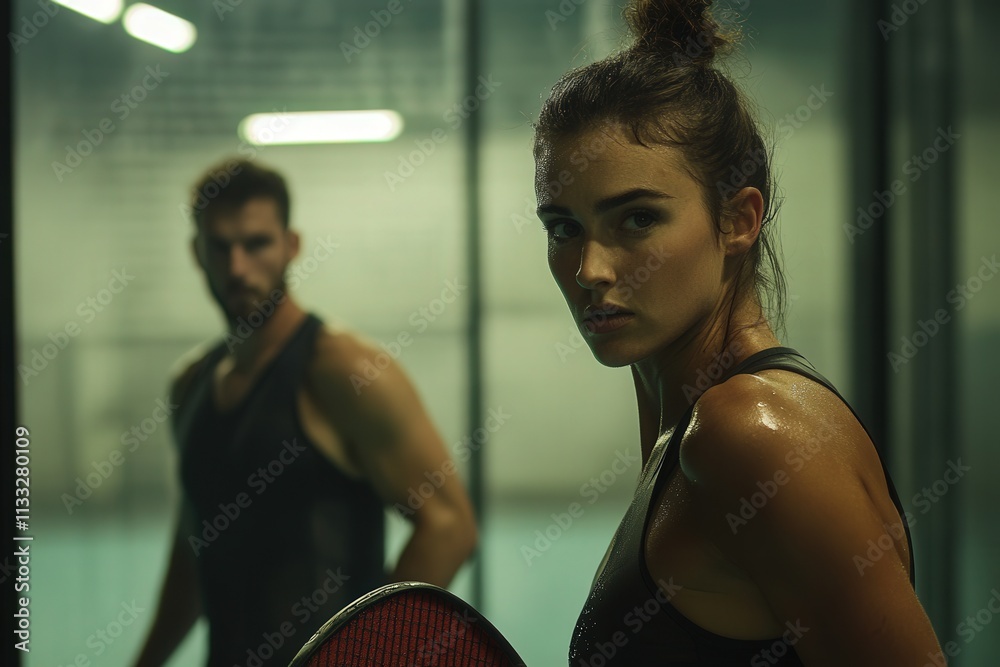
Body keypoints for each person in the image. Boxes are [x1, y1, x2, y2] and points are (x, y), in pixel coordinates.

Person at [532, 0, 943, 664]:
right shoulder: (683, 418)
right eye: (562, 227)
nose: (589, 269)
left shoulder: (747, 433)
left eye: (637, 219)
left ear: (737, 219)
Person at [133, 158, 477, 667]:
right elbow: (193, 548)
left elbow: (449, 527)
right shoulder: (190, 385)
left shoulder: (344, 370)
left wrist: (364, 657)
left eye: (256, 244)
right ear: (196, 253)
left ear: (291, 246)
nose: (237, 268)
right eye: (220, 247)